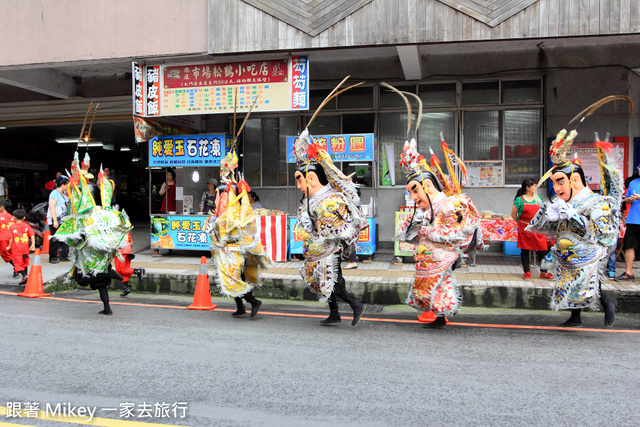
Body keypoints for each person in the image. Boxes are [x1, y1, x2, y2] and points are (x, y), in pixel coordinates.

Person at [527, 113, 627, 328]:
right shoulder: (560, 201)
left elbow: (604, 233)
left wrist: (576, 217)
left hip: (589, 250)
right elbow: (546, 227)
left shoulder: (598, 202)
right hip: (566, 252)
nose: (557, 188)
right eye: (554, 183)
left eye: (560, 182)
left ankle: (605, 303)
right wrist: (550, 214)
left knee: (588, 282)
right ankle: (575, 317)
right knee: (568, 283)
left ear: (574, 179)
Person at [293, 130, 366, 326]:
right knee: (324, 278)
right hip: (318, 247)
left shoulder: (330, 200)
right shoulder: (310, 200)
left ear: (311, 178)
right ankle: (334, 313)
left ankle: (355, 304)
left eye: (299, 180)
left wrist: (314, 234)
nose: (298, 186)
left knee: (333, 279)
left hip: (329, 246)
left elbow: (332, 229)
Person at [53, 151, 132, 315]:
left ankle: (109, 292)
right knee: (101, 278)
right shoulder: (108, 213)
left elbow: (75, 238)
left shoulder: (83, 217)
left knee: (85, 277)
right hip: (104, 252)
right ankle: (107, 305)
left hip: (89, 252)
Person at [206, 135, 271, 318]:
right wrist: (212, 220)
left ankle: (252, 301)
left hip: (232, 240)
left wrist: (217, 222)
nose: (222, 174)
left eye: (223, 171)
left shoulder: (234, 190)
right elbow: (219, 212)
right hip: (227, 241)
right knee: (231, 274)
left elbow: (232, 216)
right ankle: (241, 306)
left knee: (232, 275)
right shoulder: (227, 190)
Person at [511, 179, 553, 280]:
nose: (536, 187)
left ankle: (543, 272)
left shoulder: (538, 198)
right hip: (525, 227)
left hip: (538, 227)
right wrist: (522, 223)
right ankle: (527, 272)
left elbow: (542, 211)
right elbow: (513, 214)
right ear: (527, 188)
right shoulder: (519, 200)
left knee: (543, 249)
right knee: (525, 250)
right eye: (534, 186)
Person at [615, 166, 640, 281]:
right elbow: (626, 198)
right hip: (633, 219)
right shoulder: (633, 182)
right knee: (629, 245)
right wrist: (629, 199)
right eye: (639, 167)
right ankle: (629, 273)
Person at [7, 209, 35, 286]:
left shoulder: (12, 227)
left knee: (17, 264)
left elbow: (11, 238)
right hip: (25, 248)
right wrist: (33, 244)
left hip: (16, 249)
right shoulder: (27, 226)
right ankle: (25, 277)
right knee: (25, 262)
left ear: (14, 218)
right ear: (24, 218)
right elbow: (32, 235)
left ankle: (25, 276)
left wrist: (9, 246)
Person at [46, 175, 70, 264]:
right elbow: (52, 206)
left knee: (64, 238)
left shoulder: (63, 194)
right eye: (67, 184)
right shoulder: (54, 193)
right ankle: (52, 257)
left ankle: (64, 255)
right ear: (62, 185)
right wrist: (55, 220)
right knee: (55, 239)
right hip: (55, 219)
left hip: (62, 220)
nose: (68, 186)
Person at [115, 232, 145, 297]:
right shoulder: (125, 229)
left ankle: (138, 271)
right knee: (123, 270)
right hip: (126, 251)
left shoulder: (114, 229)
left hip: (120, 252)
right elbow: (131, 241)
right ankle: (126, 288)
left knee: (120, 270)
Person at [0, 200, 16, 276]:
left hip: (2, 237)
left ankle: (17, 266)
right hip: (11, 237)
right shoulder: (12, 217)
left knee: (5, 254)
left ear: (2, 207)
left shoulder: (0, 216)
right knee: (11, 254)